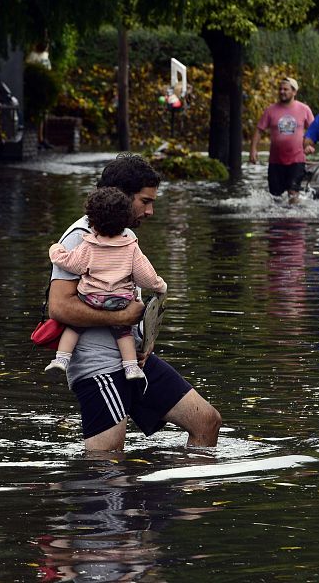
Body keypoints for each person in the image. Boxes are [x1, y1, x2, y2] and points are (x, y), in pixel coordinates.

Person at [48, 153, 221, 451]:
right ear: (120, 195)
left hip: (133, 359)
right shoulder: (81, 236)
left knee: (207, 421)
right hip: (98, 366)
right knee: (108, 461)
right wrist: (120, 318)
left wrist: (146, 339)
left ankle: (175, 482)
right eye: (145, 201)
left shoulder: (125, 235)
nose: (151, 211)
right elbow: (59, 306)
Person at [46, 187, 167, 381]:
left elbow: (70, 263)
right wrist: (160, 286)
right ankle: (131, 368)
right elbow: (146, 277)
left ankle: (61, 359)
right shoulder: (131, 247)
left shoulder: (88, 245)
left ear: (92, 222)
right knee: (124, 333)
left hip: (91, 299)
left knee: (74, 328)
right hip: (120, 301)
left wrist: (55, 250)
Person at [249, 77, 314, 202]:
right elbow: (259, 130)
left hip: (297, 160)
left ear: (294, 92)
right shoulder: (270, 110)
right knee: (276, 197)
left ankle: (294, 213)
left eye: (285, 89)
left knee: (293, 193)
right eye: (280, 89)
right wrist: (253, 150)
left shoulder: (304, 109)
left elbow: (314, 130)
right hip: (276, 161)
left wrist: (309, 145)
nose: (282, 92)